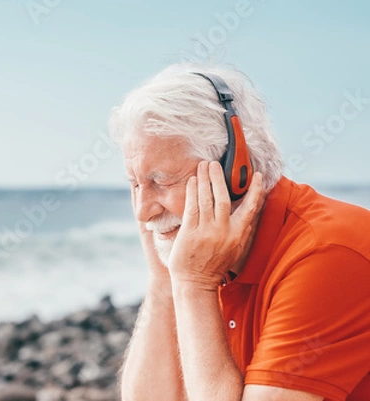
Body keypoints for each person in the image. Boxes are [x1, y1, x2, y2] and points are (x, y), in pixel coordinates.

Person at [107, 63, 370, 401]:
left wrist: (194, 285)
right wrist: (165, 281)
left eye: (161, 181)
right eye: (135, 184)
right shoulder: (206, 252)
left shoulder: (329, 253)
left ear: (237, 171)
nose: (143, 211)